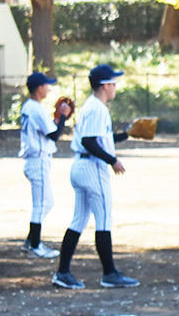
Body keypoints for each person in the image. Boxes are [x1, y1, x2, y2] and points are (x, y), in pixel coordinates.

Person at [52, 64, 139, 289]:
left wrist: (126, 135)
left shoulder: (92, 106)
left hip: (81, 167)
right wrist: (113, 160)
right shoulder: (98, 109)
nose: (116, 87)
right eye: (114, 83)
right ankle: (109, 273)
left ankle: (63, 273)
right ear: (105, 85)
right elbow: (89, 142)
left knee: (79, 220)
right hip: (92, 169)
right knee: (104, 220)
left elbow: (99, 138)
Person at [18, 71, 72, 258]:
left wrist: (58, 120)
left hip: (36, 159)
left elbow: (49, 130)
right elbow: (55, 135)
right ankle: (35, 246)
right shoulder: (36, 108)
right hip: (37, 159)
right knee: (40, 205)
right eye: (46, 85)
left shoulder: (29, 106)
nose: (48, 88)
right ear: (39, 88)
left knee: (47, 202)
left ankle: (29, 242)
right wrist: (63, 117)